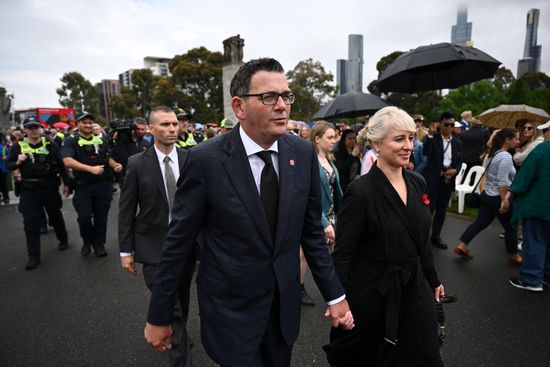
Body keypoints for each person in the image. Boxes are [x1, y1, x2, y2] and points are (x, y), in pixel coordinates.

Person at [144, 58, 354, 367]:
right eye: (270, 97)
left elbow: (310, 230)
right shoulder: (206, 161)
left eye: (286, 95)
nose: (283, 106)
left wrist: (335, 296)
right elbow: (178, 244)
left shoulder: (303, 152)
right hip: (231, 314)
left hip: (283, 311)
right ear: (239, 107)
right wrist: (160, 315)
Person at [326, 106, 444, 367]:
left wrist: (433, 280)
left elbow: (422, 240)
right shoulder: (360, 192)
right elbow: (344, 253)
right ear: (377, 144)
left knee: (425, 355)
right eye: (399, 139)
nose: (408, 146)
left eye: (411, 138)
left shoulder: (418, 182)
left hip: (415, 289)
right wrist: (338, 299)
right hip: (374, 295)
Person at [118, 106, 194, 366]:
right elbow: (127, 209)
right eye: (165, 124)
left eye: (174, 124)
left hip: (186, 246)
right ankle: (180, 353)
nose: (172, 128)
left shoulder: (190, 159)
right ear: (150, 129)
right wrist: (125, 251)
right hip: (153, 247)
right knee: (170, 306)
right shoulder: (137, 164)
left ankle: (179, 333)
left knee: (182, 300)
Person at [6, 117, 71, 270]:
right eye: (30, 127)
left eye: (36, 127)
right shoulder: (18, 147)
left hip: (48, 187)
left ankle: (63, 238)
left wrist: (67, 183)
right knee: (30, 223)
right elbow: (8, 165)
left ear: (40, 128)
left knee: (55, 215)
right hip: (28, 189)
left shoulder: (50, 144)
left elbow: (62, 165)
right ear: (25, 130)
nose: (34, 130)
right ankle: (33, 256)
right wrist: (17, 162)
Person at [453, 128, 522, 264]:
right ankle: (514, 255)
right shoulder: (506, 157)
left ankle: (462, 245)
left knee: (480, 223)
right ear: (507, 140)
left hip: (487, 196)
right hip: (499, 197)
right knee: (511, 227)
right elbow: (502, 181)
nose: (517, 141)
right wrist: (504, 200)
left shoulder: (493, 154)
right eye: (515, 139)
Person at [61, 113, 123, 257]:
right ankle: (87, 242)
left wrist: (115, 165)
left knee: (101, 217)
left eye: (90, 122)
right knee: (84, 217)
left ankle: (99, 244)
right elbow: (67, 161)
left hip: (103, 186)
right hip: (83, 186)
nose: (88, 125)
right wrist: (91, 169)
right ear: (78, 124)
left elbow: (108, 158)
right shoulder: (71, 140)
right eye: (84, 123)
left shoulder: (102, 140)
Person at [508, 121, 550, 291]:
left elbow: (525, 176)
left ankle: (532, 279)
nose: (544, 134)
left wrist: (511, 192)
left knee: (534, 242)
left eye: (545, 130)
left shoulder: (542, 149)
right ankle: (546, 276)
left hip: (538, 206)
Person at [422, 112, 463, 250]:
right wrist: (429, 135)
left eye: (452, 125)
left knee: (442, 210)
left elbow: (459, 161)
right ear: (441, 124)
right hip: (433, 179)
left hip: (447, 180)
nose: (450, 127)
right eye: (447, 124)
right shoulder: (433, 138)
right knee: (428, 208)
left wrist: (455, 171)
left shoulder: (457, 142)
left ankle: (435, 236)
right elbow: (425, 152)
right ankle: (421, 236)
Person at [310, 121, 343, 252]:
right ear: (317, 139)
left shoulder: (329, 160)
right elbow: (309, 196)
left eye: (334, 137)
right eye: (330, 137)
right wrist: (324, 222)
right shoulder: (311, 161)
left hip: (332, 217)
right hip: (318, 218)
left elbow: (336, 193)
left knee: (332, 259)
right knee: (307, 258)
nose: (334, 141)